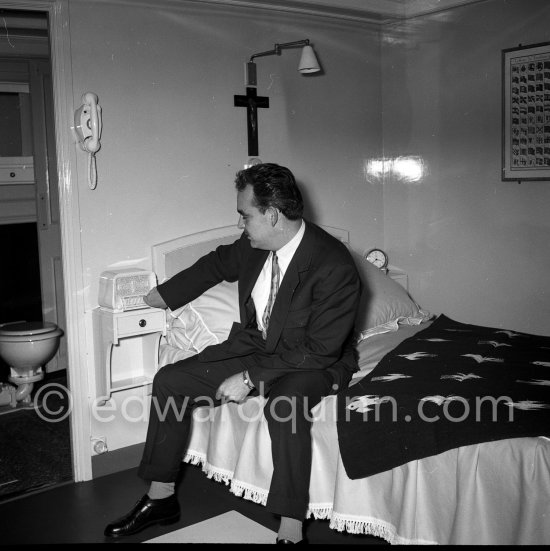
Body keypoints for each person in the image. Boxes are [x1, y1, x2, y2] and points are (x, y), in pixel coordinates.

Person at [104, 163, 361, 543]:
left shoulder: (333, 264)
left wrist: (250, 379)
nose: (241, 224)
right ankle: (161, 499)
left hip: (314, 357)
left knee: (285, 404)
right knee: (170, 381)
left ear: (272, 215)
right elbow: (216, 264)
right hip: (258, 345)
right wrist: (165, 295)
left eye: (245, 215)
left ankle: (291, 530)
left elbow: (321, 348)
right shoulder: (254, 246)